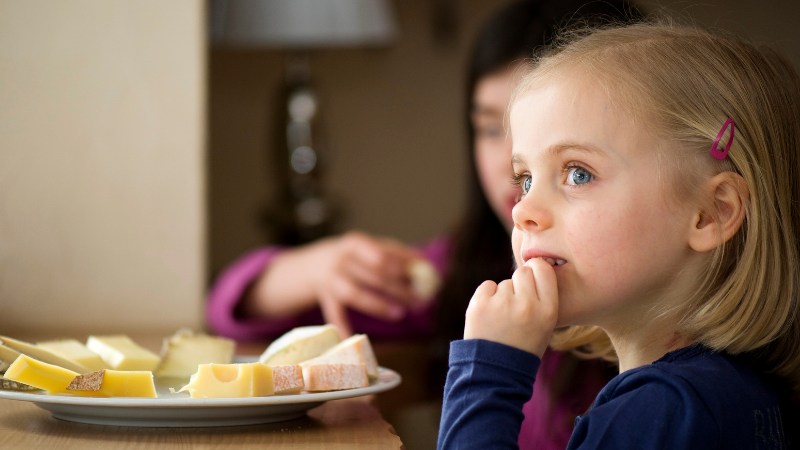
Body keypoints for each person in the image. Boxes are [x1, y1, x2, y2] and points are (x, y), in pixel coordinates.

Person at [207, 2, 637, 448]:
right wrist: (318, 267)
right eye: (491, 128)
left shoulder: (676, 384)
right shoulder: (463, 272)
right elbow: (228, 308)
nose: (511, 160)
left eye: (576, 168)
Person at [437, 21, 800, 449]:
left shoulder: (661, 412)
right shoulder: (732, 397)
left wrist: (487, 372)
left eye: (578, 173)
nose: (524, 211)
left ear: (710, 213)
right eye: (526, 180)